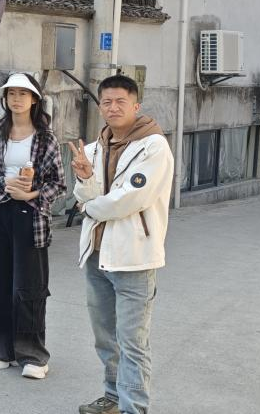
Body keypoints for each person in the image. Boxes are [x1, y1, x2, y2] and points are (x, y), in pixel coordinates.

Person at [70, 74, 173, 414]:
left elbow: (132, 198)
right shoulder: (93, 148)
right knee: (105, 338)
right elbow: (82, 195)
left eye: (120, 102)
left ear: (136, 105)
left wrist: (89, 208)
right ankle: (113, 397)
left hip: (134, 258)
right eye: (107, 102)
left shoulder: (153, 146)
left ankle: (134, 408)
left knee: (133, 342)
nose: (113, 107)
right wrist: (85, 177)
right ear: (100, 106)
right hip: (97, 255)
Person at [0, 73, 67, 380]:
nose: (17, 99)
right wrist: (5, 186)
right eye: (12, 93)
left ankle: (33, 354)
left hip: (31, 216)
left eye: (23, 94)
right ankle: (3, 348)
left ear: (34, 99)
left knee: (29, 287)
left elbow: (58, 183)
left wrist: (32, 194)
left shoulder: (46, 138)